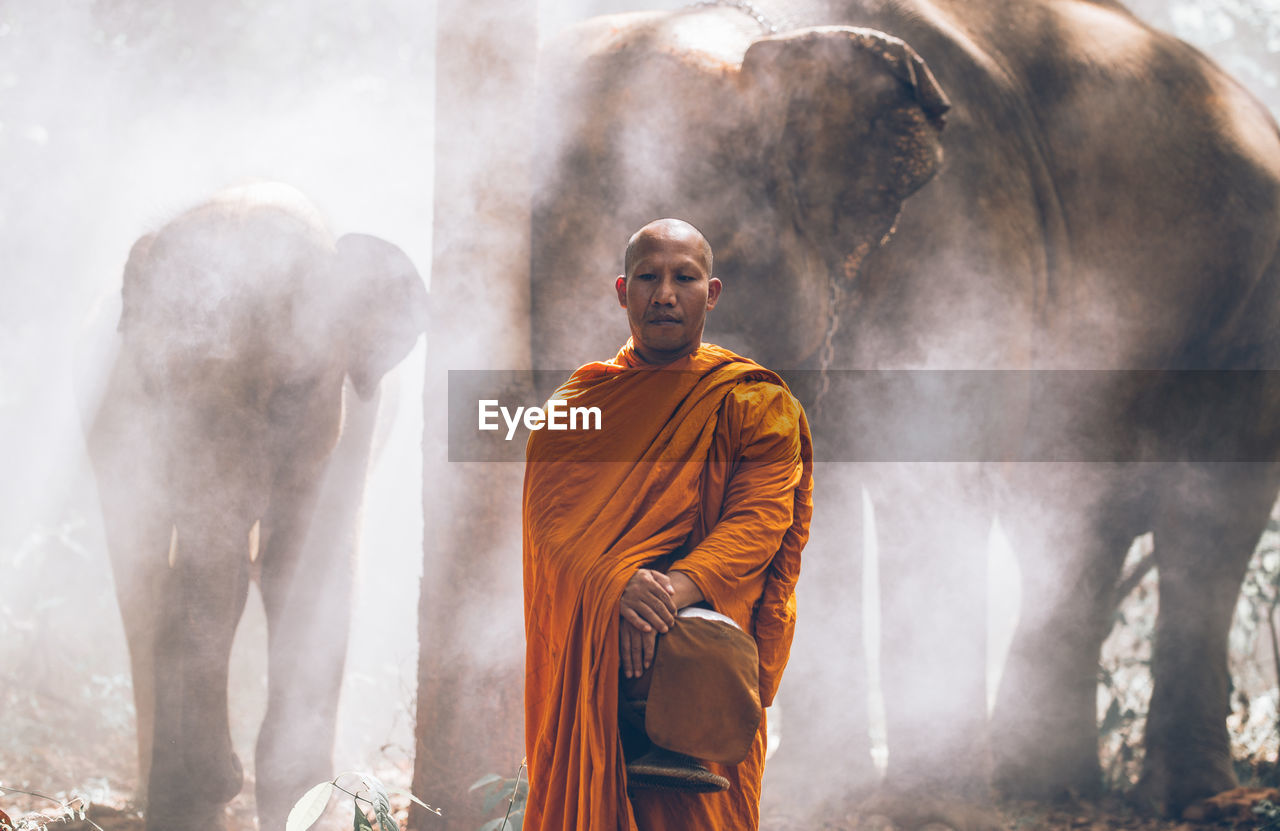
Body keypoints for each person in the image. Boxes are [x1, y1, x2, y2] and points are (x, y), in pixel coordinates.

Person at [521, 218, 813, 830]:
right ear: (623, 291)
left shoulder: (754, 403)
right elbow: (550, 535)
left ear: (712, 292)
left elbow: (759, 522)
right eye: (649, 278)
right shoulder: (577, 410)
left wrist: (662, 595)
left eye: (685, 278)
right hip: (597, 677)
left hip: (703, 678)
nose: (665, 294)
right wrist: (617, 585)